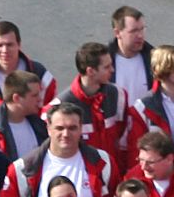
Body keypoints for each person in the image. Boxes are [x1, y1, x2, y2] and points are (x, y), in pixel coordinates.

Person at [1, 104, 115, 197]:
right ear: (49, 129)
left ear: (81, 129)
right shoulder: (23, 169)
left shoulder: (103, 162)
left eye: (72, 128)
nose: (66, 134)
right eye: (59, 128)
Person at [51, 42, 136, 177]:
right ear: (90, 71)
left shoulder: (118, 95)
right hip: (80, 179)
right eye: (106, 67)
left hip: (114, 176)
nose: (112, 70)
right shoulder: (59, 107)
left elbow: (124, 138)